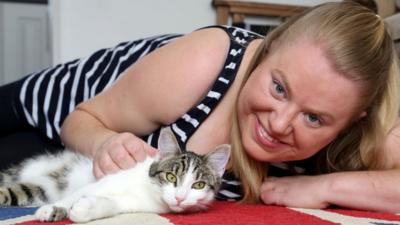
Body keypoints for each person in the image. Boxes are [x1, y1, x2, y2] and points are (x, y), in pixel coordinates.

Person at [0, 1, 399, 213]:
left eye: (314, 118)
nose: (279, 124)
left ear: (350, 124)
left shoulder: (361, 139)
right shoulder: (207, 62)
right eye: (279, 87)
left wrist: (325, 185)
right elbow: (81, 118)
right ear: (267, 49)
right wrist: (106, 144)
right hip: (44, 112)